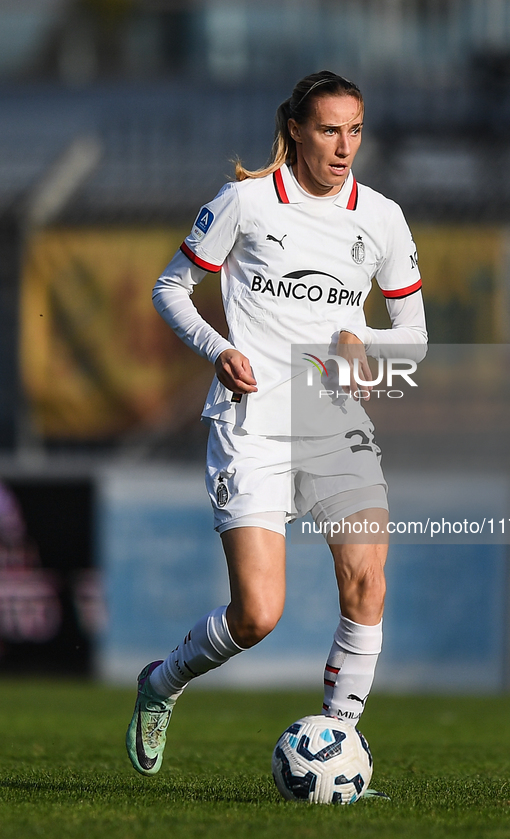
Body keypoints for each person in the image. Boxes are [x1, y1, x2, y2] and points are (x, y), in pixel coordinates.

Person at [126, 70, 427, 776]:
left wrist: (366, 346)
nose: (344, 145)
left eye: (354, 129)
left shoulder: (380, 216)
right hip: (252, 421)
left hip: (333, 422)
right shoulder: (245, 201)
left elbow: (411, 337)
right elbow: (169, 287)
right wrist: (219, 347)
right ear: (295, 129)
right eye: (328, 129)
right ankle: (160, 683)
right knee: (257, 614)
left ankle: (337, 744)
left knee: (367, 582)